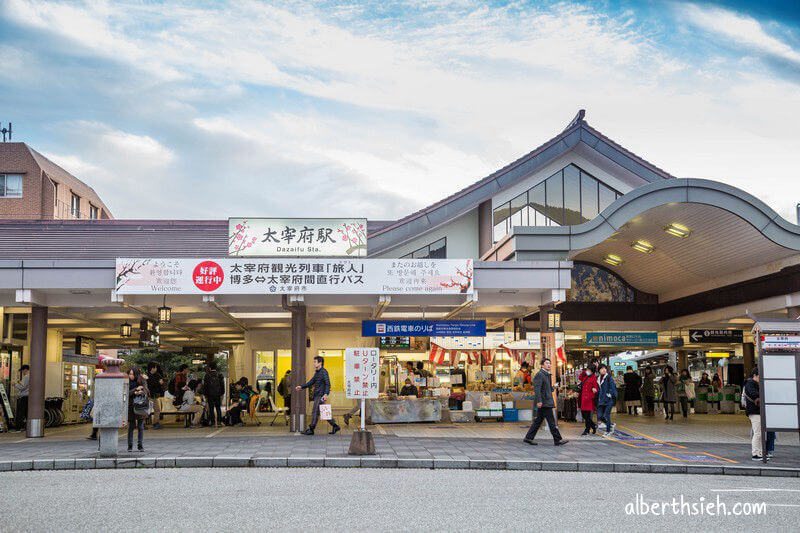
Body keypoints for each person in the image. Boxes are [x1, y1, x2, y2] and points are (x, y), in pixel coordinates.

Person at [522, 358, 568, 446]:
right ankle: (557, 439)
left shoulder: (546, 375)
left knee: (538, 421)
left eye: (550, 363)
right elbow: (537, 389)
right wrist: (539, 401)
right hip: (544, 402)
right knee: (551, 422)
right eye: (547, 363)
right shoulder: (540, 375)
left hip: (545, 401)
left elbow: (546, 389)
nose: (549, 365)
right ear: (542, 365)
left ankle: (528, 437)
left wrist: (553, 387)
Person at [296, 356, 341, 436]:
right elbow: (311, 382)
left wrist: (326, 394)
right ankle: (335, 426)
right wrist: (301, 387)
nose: (314, 363)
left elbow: (328, 384)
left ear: (320, 363)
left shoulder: (324, 372)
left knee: (315, 412)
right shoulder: (317, 372)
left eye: (315, 362)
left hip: (320, 395)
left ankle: (311, 429)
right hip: (318, 395)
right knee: (324, 412)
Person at [743, 367, 763, 460]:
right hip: (754, 411)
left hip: (756, 411)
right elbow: (754, 394)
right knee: (757, 433)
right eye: (759, 376)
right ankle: (755, 454)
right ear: (755, 375)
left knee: (759, 433)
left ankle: (759, 453)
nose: (761, 378)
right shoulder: (750, 383)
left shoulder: (753, 383)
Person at [127, 366, 149, 452]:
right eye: (129, 374)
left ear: (136, 374)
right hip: (131, 406)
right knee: (131, 427)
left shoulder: (142, 380)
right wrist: (135, 390)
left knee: (140, 427)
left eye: (132, 374)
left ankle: (140, 445)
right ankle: (130, 446)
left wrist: (141, 391)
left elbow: (146, 390)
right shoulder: (127, 381)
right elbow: (125, 392)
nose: (130, 376)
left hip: (141, 406)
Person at [596, 364, 618, 434]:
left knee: (606, 415)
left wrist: (609, 394)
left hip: (608, 400)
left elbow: (612, 387)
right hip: (601, 400)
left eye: (605, 368)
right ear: (599, 370)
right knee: (599, 416)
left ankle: (608, 431)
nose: (604, 370)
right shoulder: (598, 378)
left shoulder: (608, 377)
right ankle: (611, 425)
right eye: (602, 368)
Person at [203, 361, 225, 428]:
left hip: (210, 395)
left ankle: (212, 423)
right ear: (216, 367)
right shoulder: (220, 375)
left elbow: (205, 386)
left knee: (211, 408)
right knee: (218, 408)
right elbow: (222, 385)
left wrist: (206, 395)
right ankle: (219, 422)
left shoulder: (207, 375)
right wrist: (222, 393)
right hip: (218, 394)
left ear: (210, 368)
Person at [578, 364, 598, 435]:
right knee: (584, 415)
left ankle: (587, 429)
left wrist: (594, 391)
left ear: (592, 371)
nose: (587, 371)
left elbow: (596, 388)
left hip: (589, 399)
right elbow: (580, 377)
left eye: (589, 370)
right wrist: (584, 371)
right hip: (583, 399)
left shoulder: (594, 378)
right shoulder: (585, 377)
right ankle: (593, 426)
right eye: (587, 370)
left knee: (587, 416)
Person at [146, 362, 165, 430]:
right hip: (149, 396)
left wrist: (160, 384)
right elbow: (150, 386)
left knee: (157, 409)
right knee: (147, 410)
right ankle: (142, 423)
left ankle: (155, 423)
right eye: (155, 367)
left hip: (154, 396)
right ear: (152, 368)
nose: (156, 369)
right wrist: (158, 383)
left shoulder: (156, 375)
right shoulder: (147, 376)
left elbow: (159, 385)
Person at [12, 365, 30, 432]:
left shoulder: (26, 377)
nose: (22, 372)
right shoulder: (31, 376)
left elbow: (22, 387)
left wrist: (14, 384)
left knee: (20, 413)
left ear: (25, 370)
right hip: (28, 397)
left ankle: (18, 428)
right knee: (26, 413)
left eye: (22, 371)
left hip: (24, 397)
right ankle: (27, 427)